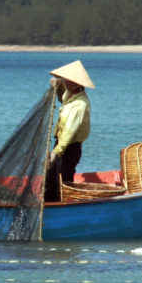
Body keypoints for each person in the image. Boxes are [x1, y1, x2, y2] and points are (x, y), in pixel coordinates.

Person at [44, 60, 94, 201]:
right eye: (65, 80)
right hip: (60, 144)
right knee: (50, 178)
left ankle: (63, 207)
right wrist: (57, 85)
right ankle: (49, 204)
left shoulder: (80, 104)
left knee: (64, 180)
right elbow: (62, 96)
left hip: (70, 148)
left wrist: (56, 152)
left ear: (77, 84)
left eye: (68, 81)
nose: (66, 83)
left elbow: (69, 132)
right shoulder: (69, 93)